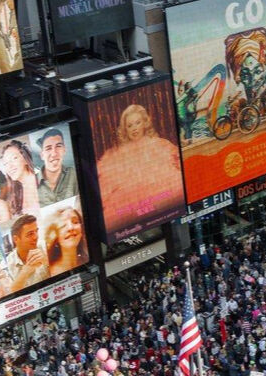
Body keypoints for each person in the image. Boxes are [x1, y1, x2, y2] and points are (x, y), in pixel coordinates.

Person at [95, 104, 183, 235]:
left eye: (137, 123)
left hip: (165, 207)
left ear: (145, 123)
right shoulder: (116, 155)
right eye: (129, 125)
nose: (134, 128)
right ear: (125, 129)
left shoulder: (160, 144)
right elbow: (104, 187)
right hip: (130, 217)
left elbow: (181, 169)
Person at [0, 139, 40, 215]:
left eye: (14, 158)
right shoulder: (16, 192)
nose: (9, 166)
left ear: (25, 159)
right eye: (6, 163)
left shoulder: (42, 182)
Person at [5, 214, 46, 292]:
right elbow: (10, 293)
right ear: (16, 239)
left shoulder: (45, 247)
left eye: (36, 231)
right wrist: (26, 271)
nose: (36, 237)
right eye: (30, 234)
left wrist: (48, 261)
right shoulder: (8, 263)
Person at [36, 129, 76, 206]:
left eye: (58, 146)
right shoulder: (32, 184)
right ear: (42, 155)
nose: (54, 153)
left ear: (64, 150)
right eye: (48, 148)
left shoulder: (74, 174)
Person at [43, 206, 87, 277]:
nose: (70, 227)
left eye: (75, 222)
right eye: (63, 225)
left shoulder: (86, 260)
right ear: (55, 237)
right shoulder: (48, 273)